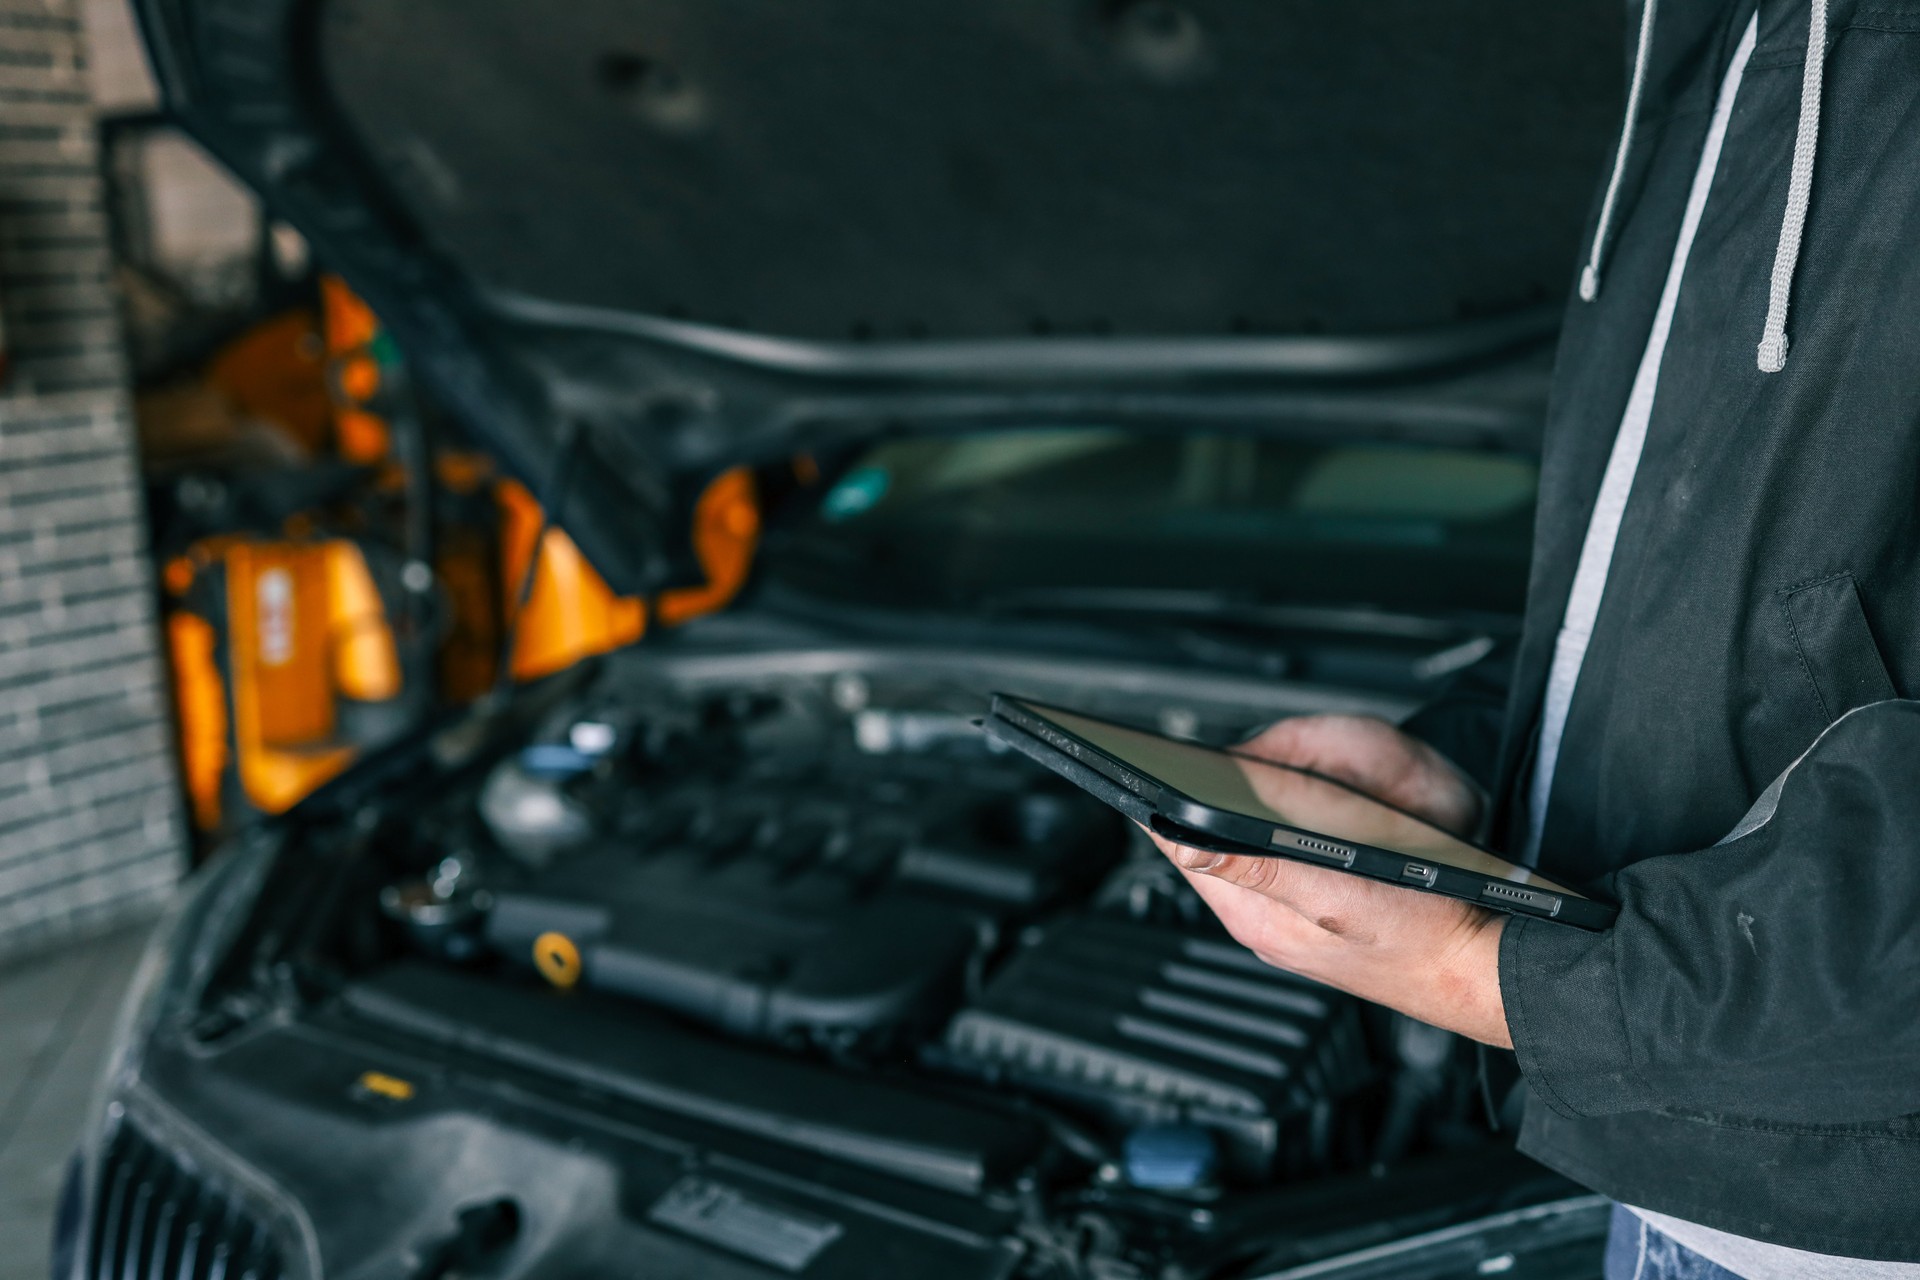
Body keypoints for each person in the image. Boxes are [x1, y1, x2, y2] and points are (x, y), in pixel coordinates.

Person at [1146, 2, 1920, 1275]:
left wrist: (1488, 978)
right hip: (1672, 1178)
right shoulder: (1719, 29)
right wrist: (1460, 770)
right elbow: (1744, 593)